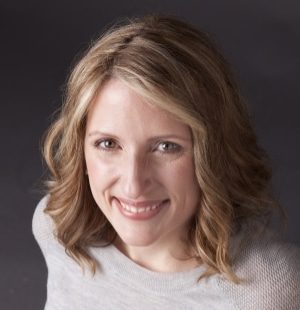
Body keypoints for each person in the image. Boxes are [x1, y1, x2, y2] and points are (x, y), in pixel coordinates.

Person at [32, 15, 299, 309]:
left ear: (215, 152)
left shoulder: (266, 288)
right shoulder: (57, 229)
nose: (134, 184)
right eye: (108, 144)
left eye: (166, 147)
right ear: (79, 148)